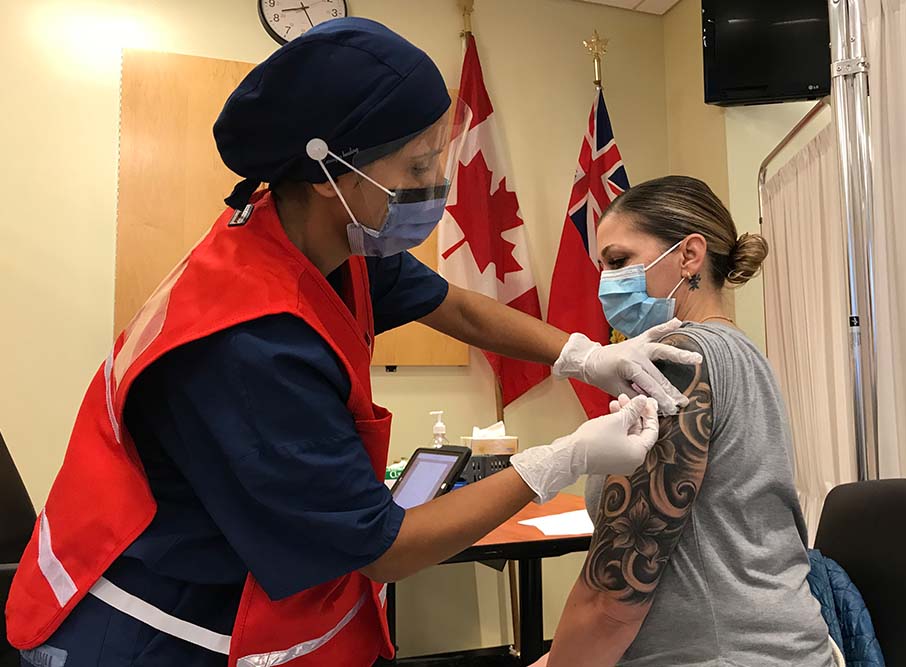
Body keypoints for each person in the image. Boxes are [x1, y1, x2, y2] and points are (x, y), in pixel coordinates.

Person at [5, 19, 703, 667]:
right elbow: (383, 551)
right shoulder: (251, 342)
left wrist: (583, 354)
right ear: (328, 170)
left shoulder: (331, 240)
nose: (435, 185)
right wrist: (565, 456)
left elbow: (454, 304)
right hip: (142, 627)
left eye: (439, 155)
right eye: (416, 166)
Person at [536, 176, 836, 667]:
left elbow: (613, 599)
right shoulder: (738, 350)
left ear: (689, 256)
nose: (604, 283)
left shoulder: (679, 361)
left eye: (618, 262)